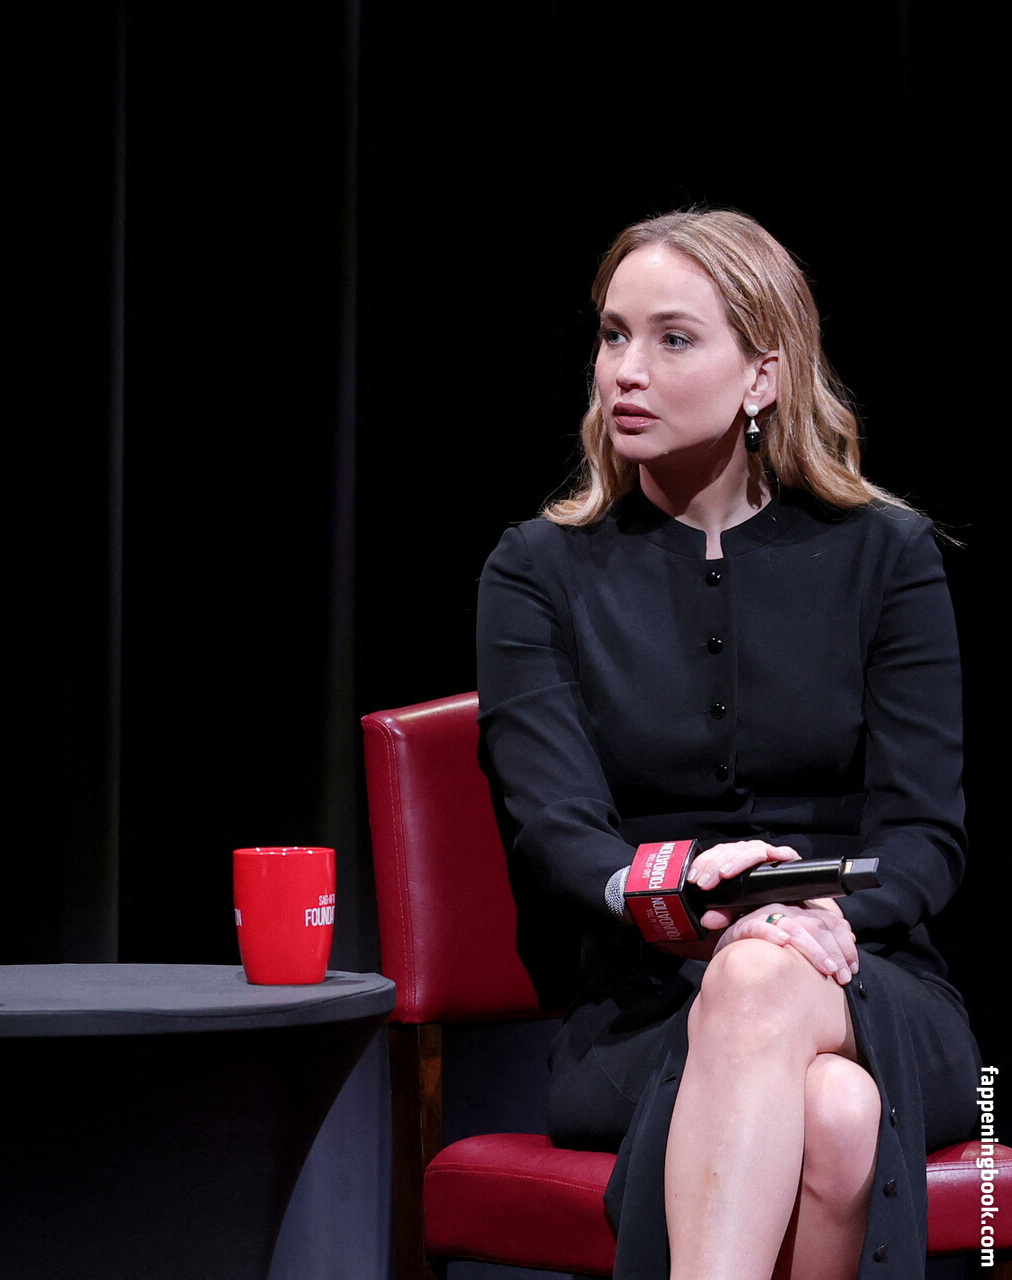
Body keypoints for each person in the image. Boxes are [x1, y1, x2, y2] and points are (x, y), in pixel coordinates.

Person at [476, 209, 979, 1279]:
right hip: (641, 1006)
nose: (626, 370)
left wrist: (806, 922)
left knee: (765, 985)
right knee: (834, 1113)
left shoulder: (887, 556)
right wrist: (678, 898)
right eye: (613, 335)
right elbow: (555, 829)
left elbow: (925, 837)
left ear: (763, 373)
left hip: (871, 977)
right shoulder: (537, 570)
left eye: (672, 339)